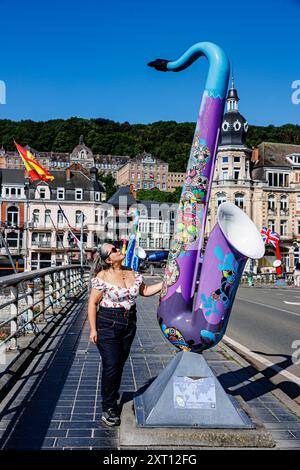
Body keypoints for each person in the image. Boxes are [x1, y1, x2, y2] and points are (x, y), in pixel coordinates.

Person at [88, 242, 163, 427]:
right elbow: (92, 303)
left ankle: (112, 396)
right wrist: (93, 329)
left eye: (116, 247)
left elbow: (144, 291)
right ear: (108, 259)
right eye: (113, 250)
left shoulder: (131, 272)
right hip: (107, 323)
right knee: (111, 364)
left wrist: (166, 283)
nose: (117, 250)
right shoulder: (102, 276)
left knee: (119, 364)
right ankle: (108, 408)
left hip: (129, 322)